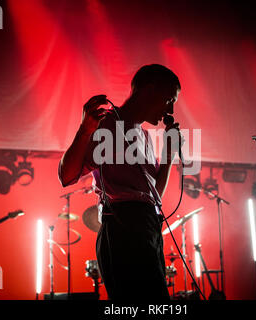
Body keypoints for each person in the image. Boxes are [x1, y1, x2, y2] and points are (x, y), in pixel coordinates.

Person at [59, 64, 182, 301]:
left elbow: (153, 194)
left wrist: (168, 153)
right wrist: (85, 129)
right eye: (169, 99)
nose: (171, 109)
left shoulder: (144, 136)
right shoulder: (107, 126)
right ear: (149, 91)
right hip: (124, 227)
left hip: (147, 225)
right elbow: (67, 176)